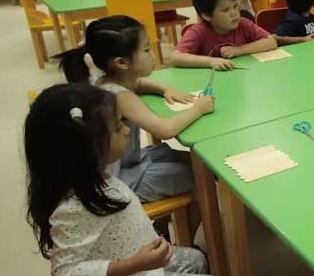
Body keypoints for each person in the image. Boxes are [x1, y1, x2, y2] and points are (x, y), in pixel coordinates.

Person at [24, 83, 240, 276]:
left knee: (196, 259)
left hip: (132, 272)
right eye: (118, 127)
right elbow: (65, 272)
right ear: (86, 148)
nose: (127, 131)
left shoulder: (94, 175)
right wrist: (135, 264)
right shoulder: (74, 207)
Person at [56, 16, 213, 207]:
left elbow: (138, 83)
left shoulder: (104, 79)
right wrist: (198, 109)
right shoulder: (120, 96)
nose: (153, 55)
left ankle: (173, 219)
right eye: (146, 50)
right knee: (201, 175)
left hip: (127, 161)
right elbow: (165, 130)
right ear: (122, 63)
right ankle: (191, 224)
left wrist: (164, 89)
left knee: (195, 161)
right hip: (121, 179)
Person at [170, 0, 277, 70]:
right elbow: (175, 57)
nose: (234, 13)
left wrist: (237, 50)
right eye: (225, 10)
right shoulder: (198, 32)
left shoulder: (243, 24)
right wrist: (211, 61)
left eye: (235, 6)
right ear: (206, 15)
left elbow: (271, 41)